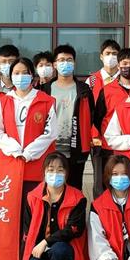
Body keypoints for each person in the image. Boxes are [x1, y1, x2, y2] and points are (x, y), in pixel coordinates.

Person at [20, 152, 89, 260]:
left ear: (66, 173)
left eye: (60, 170)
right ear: (44, 172)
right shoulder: (33, 197)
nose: (55, 174)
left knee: (60, 250)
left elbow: (74, 230)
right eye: (51, 170)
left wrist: (46, 241)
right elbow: (27, 230)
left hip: (66, 249)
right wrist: (26, 258)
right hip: (41, 250)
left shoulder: (77, 198)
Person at [0, 57, 58, 204]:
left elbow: (50, 133)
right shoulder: (3, 101)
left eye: (25, 72)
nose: (21, 77)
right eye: (16, 73)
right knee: (10, 207)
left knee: (33, 206)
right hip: (10, 163)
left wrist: (28, 153)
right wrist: (14, 149)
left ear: (32, 75)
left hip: (37, 164)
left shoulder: (46, 101)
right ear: (11, 76)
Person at [41, 44, 95, 190]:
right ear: (55, 64)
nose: (65, 63)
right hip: (50, 148)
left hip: (76, 149)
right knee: (50, 188)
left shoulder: (84, 90)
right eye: (61, 60)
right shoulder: (45, 90)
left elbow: (92, 116)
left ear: (74, 63)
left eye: (69, 60)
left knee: (75, 189)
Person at [91, 44, 130, 196]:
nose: (128, 67)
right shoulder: (107, 90)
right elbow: (97, 117)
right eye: (124, 63)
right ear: (119, 64)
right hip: (109, 147)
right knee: (105, 185)